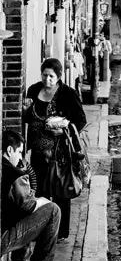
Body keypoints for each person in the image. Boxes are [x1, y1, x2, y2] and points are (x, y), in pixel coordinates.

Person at [22, 58, 87, 242]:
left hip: (59, 153)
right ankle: (42, 230)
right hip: (38, 151)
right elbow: (28, 118)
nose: (47, 80)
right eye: (44, 75)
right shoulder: (34, 90)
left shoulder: (68, 94)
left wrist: (64, 129)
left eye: (51, 76)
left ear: (58, 77)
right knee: (40, 190)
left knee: (60, 192)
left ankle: (59, 233)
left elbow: (80, 121)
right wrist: (25, 111)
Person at [1, 129, 64, 261]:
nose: (20, 157)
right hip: (3, 238)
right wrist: (43, 201)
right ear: (10, 150)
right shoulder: (14, 173)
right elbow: (28, 206)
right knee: (53, 210)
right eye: (19, 152)